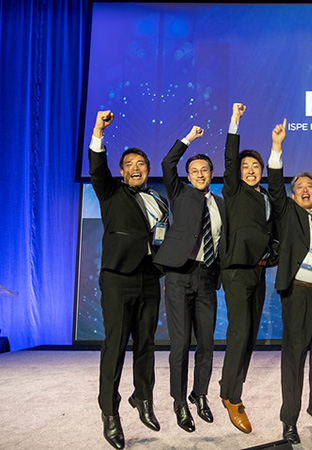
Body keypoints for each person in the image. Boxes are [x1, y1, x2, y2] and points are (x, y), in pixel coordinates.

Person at [88, 110, 169, 449]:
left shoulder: (159, 200)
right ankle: (110, 412)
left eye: (141, 164)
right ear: (122, 172)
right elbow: (97, 166)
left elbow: (163, 238)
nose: (136, 168)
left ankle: (143, 398)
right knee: (116, 346)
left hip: (149, 279)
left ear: (148, 170)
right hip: (118, 279)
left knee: (146, 344)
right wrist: (98, 131)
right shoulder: (110, 193)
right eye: (129, 164)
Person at [266, 118, 312, 444]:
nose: (306, 190)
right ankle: (289, 421)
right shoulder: (288, 213)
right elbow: (274, 187)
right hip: (299, 295)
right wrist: (277, 147)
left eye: (310, 186)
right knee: (294, 360)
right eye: (300, 187)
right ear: (293, 194)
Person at [153, 126, 226, 432]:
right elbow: (167, 163)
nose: (199, 174)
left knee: (207, 344)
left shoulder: (221, 203)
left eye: (204, 170)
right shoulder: (179, 193)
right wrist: (188, 139)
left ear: (212, 173)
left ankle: (200, 394)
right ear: (188, 175)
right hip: (180, 276)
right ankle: (180, 401)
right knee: (181, 345)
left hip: (207, 278)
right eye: (194, 171)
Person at [219, 103, 276, 434]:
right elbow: (229, 159)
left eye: (256, 166)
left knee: (249, 336)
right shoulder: (234, 190)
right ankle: (231, 397)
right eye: (246, 166)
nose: (251, 170)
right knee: (239, 333)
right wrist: (235, 122)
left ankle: (230, 388)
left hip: (258, 271)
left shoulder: (267, 197)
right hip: (236, 271)